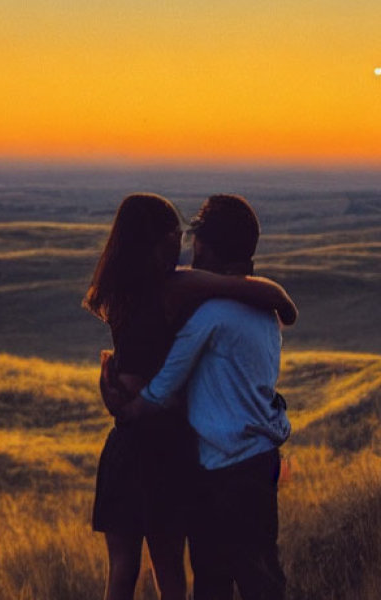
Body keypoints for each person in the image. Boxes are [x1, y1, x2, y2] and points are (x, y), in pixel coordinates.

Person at [83, 193, 296, 600]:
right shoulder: (175, 288)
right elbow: (248, 290)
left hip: (129, 444)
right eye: (174, 237)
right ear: (159, 241)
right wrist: (282, 302)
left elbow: (147, 382)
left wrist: (127, 406)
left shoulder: (119, 291)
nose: (183, 246)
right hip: (167, 448)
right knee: (178, 575)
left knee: (126, 572)